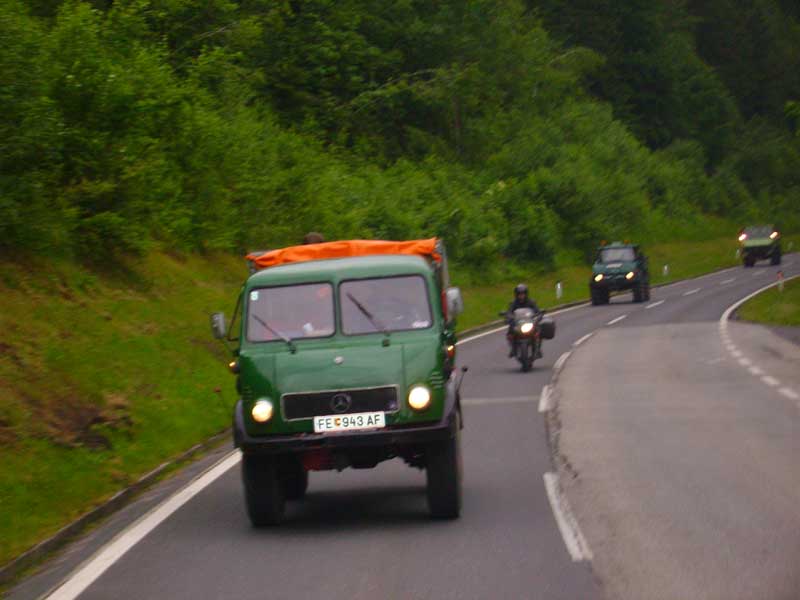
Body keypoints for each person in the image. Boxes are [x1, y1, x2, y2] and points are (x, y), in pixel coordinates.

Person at [505, 283, 541, 357]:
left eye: (523, 294)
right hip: (518, 323)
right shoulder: (513, 303)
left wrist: (538, 315)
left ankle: (538, 349)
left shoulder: (531, 302)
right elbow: (509, 312)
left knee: (538, 331)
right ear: (516, 295)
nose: (521, 296)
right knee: (510, 332)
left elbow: (537, 311)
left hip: (529, 322)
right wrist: (508, 317)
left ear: (526, 294)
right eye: (519, 294)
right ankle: (513, 348)